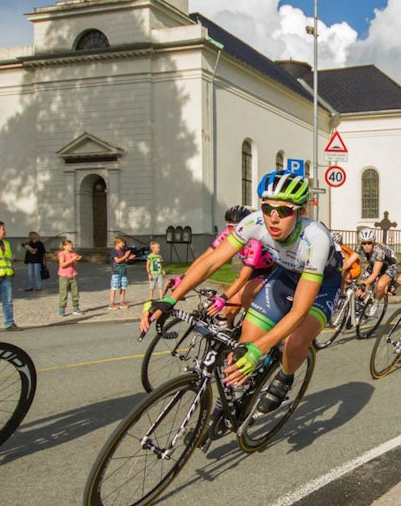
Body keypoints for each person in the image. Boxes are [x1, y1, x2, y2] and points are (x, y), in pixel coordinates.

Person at [142, 169, 341, 414]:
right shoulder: (254, 222)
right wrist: (169, 298)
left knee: (294, 342)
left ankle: (285, 377)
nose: (274, 218)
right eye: (268, 208)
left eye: (285, 210)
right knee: (244, 344)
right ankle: (234, 397)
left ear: (301, 212)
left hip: (322, 286)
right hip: (286, 277)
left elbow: (300, 310)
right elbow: (211, 262)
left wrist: (259, 350)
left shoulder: (315, 238)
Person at [355, 227, 399, 306]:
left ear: (373, 242)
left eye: (369, 243)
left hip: (389, 266)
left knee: (380, 285)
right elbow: (348, 262)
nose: (366, 246)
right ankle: (362, 306)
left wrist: (366, 284)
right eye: (364, 243)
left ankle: (376, 303)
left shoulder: (379, 251)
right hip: (375, 264)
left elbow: (375, 273)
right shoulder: (360, 248)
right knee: (360, 283)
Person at [57, 239, 84, 316]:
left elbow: (74, 265)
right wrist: (72, 259)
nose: (71, 246)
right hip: (64, 276)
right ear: (64, 246)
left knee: (75, 293)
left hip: (73, 275)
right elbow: (62, 265)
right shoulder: (61, 254)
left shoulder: (73, 253)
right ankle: (62, 309)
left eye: (71, 245)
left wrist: (76, 260)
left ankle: (76, 308)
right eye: (69, 245)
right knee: (63, 293)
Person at [110, 236, 135, 309]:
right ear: (117, 243)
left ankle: (122, 301)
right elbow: (117, 260)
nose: (123, 245)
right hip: (116, 272)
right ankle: (112, 302)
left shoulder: (122, 251)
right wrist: (126, 256)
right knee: (114, 287)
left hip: (123, 272)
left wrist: (129, 258)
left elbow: (124, 260)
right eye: (122, 243)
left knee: (123, 287)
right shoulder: (114, 251)